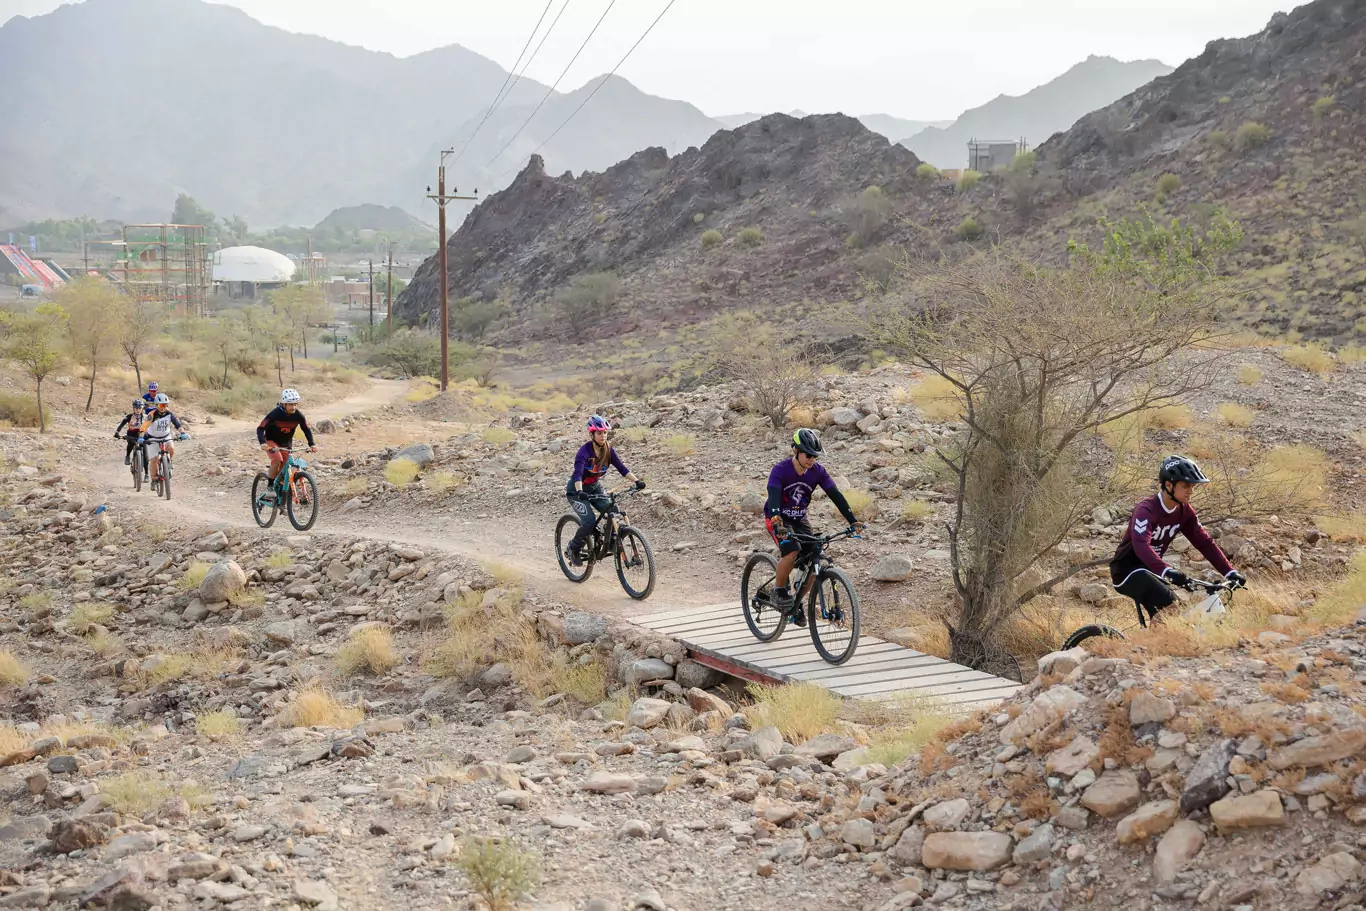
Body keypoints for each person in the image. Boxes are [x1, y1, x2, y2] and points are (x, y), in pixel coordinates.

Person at [1110, 454, 1247, 623]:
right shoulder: (1146, 510)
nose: (1191, 490)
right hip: (1127, 571)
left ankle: (1149, 647)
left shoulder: (1185, 511)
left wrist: (1230, 572)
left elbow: (1204, 543)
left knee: (1169, 617)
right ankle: (1146, 648)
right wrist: (1167, 570)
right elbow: (1141, 545)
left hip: (1153, 572)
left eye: (1192, 486)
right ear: (1169, 485)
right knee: (1171, 607)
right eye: (1186, 485)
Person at [764, 428, 863, 625]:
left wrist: (852, 520)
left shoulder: (818, 472)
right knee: (791, 552)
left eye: (814, 456)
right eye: (808, 455)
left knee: (814, 558)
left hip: (799, 519)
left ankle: (795, 603)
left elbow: (836, 495)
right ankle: (779, 590)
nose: (811, 460)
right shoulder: (781, 470)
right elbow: (773, 496)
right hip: (778, 518)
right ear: (796, 451)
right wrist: (777, 521)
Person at [564, 415, 644, 566]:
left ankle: (612, 541)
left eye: (605, 433)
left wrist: (637, 481)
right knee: (589, 522)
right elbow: (577, 474)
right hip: (577, 491)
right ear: (592, 434)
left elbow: (622, 468)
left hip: (595, 487)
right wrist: (580, 491)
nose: (603, 436)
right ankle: (573, 549)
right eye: (599, 433)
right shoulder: (584, 452)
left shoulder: (608, 450)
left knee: (613, 510)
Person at [256, 388, 316, 502]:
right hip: (271, 442)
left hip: (286, 444)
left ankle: (281, 496)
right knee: (277, 460)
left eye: (295, 404)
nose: (293, 407)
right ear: (283, 404)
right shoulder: (274, 414)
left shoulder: (298, 415)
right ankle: (270, 487)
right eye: (290, 404)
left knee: (287, 468)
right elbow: (260, 428)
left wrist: (312, 444)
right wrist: (262, 443)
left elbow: (306, 429)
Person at [139, 393, 186, 483]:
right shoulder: (151, 415)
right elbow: (144, 427)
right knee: (154, 459)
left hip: (166, 436)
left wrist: (183, 433)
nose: (162, 407)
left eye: (165, 405)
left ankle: (169, 462)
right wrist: (141, 437)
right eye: (160, 405)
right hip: (153, 438)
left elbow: (177, 424)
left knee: (171, 448)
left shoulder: (169, 414)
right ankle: (153, 479)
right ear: (156, 405)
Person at [113, 399, 146, 465]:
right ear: (133, 408)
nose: (138, 410)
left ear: (142, 409)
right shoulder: (129, 416)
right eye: (136, 408)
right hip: (131, 434)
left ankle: (145, 459)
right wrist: (117, 432)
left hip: (141, 434)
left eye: (139, 408)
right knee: (130, 444)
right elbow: (121, 424)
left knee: (144, 445)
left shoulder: (145, 417)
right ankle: (127, 456)